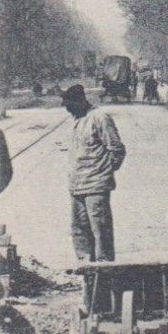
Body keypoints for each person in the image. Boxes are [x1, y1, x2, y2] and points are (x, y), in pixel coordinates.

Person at [61, 84, 126, 261]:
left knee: (101, 231)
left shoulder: (99, 118)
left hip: (96, 186)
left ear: (82, 100)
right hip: (76, 185)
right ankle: (86, 268)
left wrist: (103, 172)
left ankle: (104, 269)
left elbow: (117, 149)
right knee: (79, 230)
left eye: (71, 104)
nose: (69, 109)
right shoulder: (76, 119)